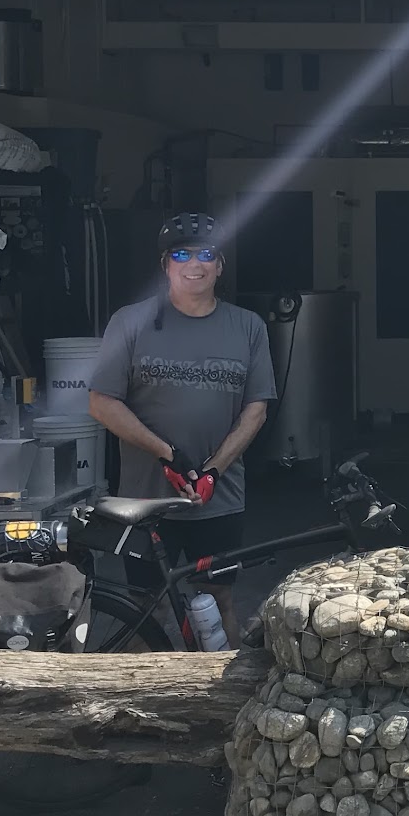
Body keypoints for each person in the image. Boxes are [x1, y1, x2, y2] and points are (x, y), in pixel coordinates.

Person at [87, 213, 276, 648]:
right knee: (145, 605)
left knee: (220, 599)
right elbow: (101, 403)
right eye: (181, 255)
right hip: (145, 501)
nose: (194, 264)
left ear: (220, 266)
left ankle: (226, 688)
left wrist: (212, 470)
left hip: (219, 500)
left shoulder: (248, 327)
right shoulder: (130, 322)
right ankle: (139, 690)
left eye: (206, 254)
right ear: (165, 265)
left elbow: (256, 411)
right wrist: (167, 454)